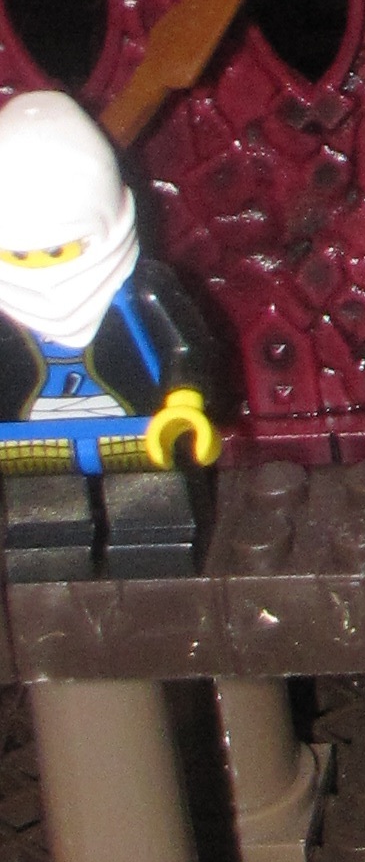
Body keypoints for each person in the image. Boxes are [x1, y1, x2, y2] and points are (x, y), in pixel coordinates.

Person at [0, 90, 219, 574]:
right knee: (41, 539)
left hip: (139, 439)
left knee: (156, 530)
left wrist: (184, 403)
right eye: (18, 255)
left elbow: (185, 347)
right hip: (29, 447)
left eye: (58, 251)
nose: (41, 268)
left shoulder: (142, 292)